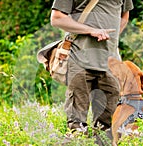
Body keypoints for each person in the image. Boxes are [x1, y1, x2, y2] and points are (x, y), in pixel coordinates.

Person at [50, 0, 133, 136]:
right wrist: (91, 30)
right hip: (79, 59)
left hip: (110, 62)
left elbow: (124, 15)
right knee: (77, 123)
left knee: (109, 122)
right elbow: (57, 18)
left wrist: (112, 39)